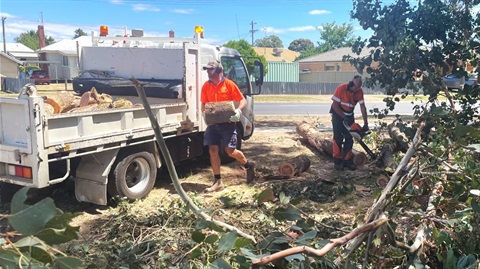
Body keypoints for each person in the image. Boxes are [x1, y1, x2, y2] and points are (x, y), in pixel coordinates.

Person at [200, 60, 256, 192]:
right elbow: (204, 103)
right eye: (207, 69)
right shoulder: (206, 86)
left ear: (219, 70)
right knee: (212, 150)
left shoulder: (229, 84)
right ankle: (218, 181)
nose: (208, 72)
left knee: (230, 152)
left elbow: (242, 99)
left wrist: (238, 110)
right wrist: (204, 113)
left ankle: (248, 165)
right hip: (213, 124)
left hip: (228, 124)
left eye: (211, 69)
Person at [329, 75, 369, 171]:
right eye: (355, 87)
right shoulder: (341, 88)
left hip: (349, 115)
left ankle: (347, 161)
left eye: (358, 88)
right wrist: (343, 117)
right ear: (351, 84)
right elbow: (335, 105)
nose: (356, 90)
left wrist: (366, 123)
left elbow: (362, 107)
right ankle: (337, 161)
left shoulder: (359, 92)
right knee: (338, 137)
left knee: (349, 138)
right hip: (338, 114)